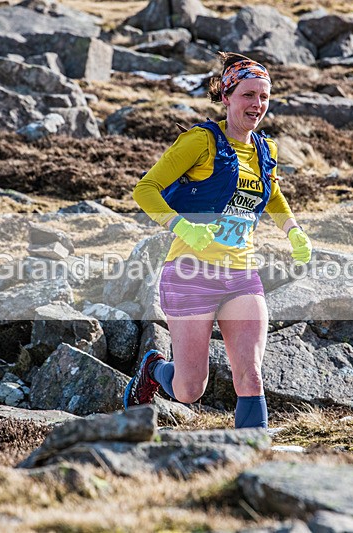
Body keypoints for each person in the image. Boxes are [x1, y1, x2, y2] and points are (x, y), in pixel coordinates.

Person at [124, 52, 312, 429]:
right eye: (248, 95)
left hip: (242, 275)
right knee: (190, 388)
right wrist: (183, 227)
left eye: (263, 96)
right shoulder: (201, 142)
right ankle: (153, 368)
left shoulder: (265, 150)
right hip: (190, 273)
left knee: (251, 376)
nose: (257, 104)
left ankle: (252, 463)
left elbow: (271, 195)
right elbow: (145, 189)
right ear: (226, 97)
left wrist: (293, 230)